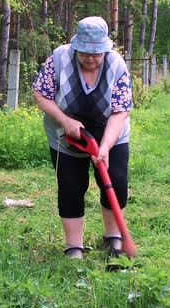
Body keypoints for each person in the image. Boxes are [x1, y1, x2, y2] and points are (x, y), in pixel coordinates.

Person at [32, 16, 133, 259]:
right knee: (71, 186)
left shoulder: (117, 65)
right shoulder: (59, 58)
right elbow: (40, 94)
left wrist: (106, 147)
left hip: (110, 133)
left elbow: (120, 112)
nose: (90, 58)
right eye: (85, 52)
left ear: (105, 49)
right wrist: (66, 122)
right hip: (65, 135)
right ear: (76, 46)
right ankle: (74, 247)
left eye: (96, 53)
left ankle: (113, 238)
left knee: (116, 182)